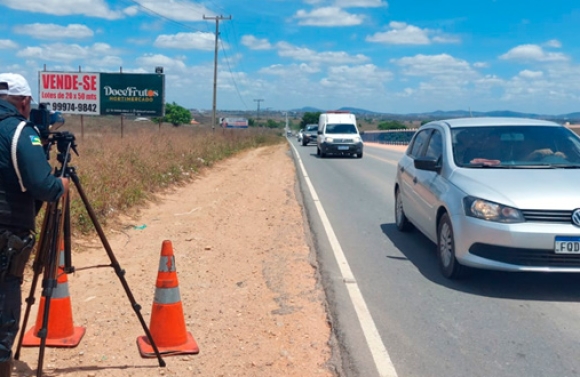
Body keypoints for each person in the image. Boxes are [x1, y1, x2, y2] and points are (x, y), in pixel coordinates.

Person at [0, 73, 69, 376]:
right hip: (6, 231)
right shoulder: (19, 131)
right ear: (25, 102)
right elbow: (43, 186)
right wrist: (62, 184)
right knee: (4, 305)